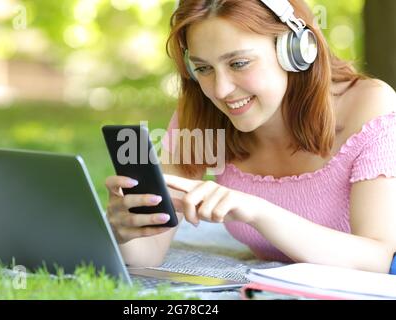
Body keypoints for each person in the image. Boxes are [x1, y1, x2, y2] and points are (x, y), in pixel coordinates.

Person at [105, 0, 396, 273]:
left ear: (294, 49)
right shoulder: (204, 113)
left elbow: (376, 259)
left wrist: (257, 210)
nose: (220, 90)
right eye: (204, 68)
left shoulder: (369, 105)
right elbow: (148, 254)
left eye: (238, 63)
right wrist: (128, 231)